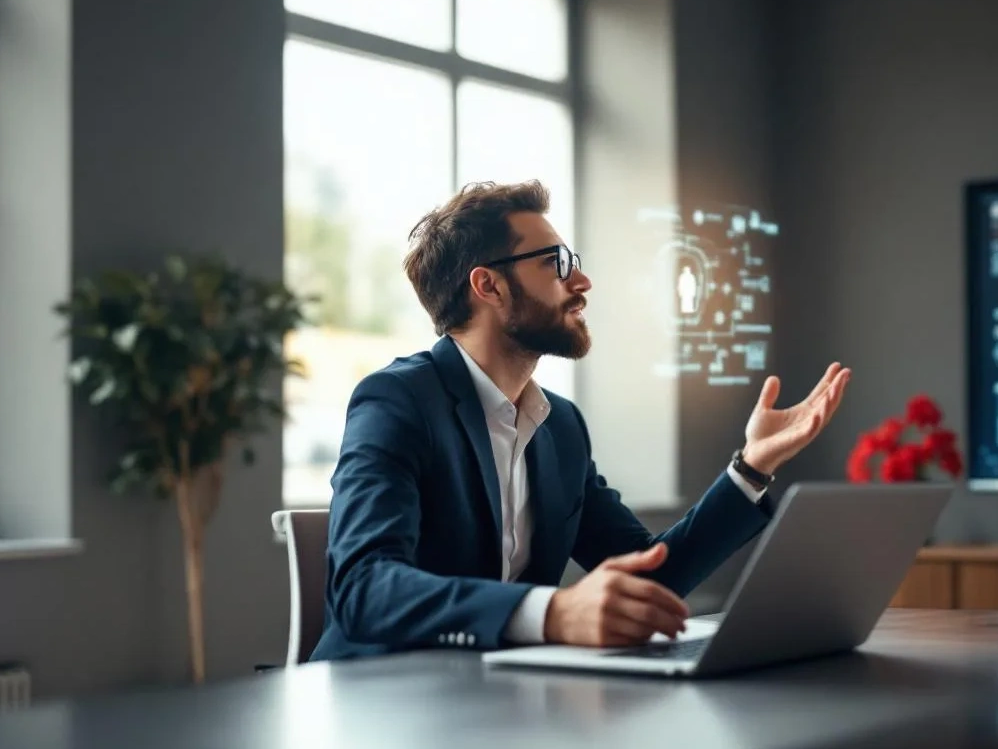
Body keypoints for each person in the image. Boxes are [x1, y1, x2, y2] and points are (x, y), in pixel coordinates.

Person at [308, 180, 851, 661]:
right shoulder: (397, 401)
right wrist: (552, 614)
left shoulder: (560, 427)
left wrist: (751, 466)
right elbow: (363, 589)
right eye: (556, 263)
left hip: (497, 704)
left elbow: (650, 576)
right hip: (380, 703)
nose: (583, 281)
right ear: (489, 286)